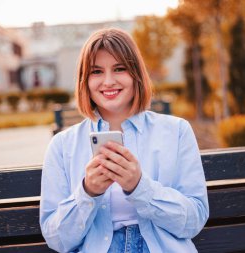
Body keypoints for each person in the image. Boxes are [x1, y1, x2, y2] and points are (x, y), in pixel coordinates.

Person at [40, 28, 209, 253]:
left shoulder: (176, 131)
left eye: (119, 69)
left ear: (136, 74)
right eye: (96, 71)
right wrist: (87, 192)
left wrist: (140, 187)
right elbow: (57, 240)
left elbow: (194, 221)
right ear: (84, 80)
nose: (108, 81)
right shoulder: (62, 146)